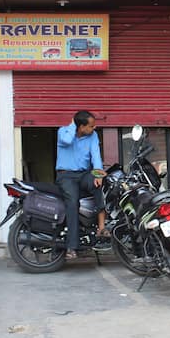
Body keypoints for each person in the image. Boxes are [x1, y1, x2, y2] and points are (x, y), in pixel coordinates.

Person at [56, 110, 108, 260]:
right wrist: (73, 125)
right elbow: (66, 141)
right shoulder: (63, 132)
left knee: (98, 184)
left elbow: (96, 155)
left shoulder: (93, 136)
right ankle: (71, 247)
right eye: (91, 126)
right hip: (66, 176)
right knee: (72, 203)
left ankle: (101, 227)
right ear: (81, 126)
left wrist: (98, 173)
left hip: (83, 174)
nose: (94, 128)